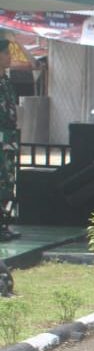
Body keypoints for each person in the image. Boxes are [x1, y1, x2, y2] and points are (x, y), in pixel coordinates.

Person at [0, 37, 19, 242]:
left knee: (7, 182)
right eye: (5, 53)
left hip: (8, 140)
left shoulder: (5, 81)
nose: (9, 57)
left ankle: (3, 223)